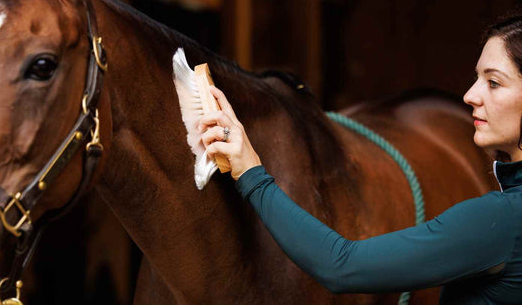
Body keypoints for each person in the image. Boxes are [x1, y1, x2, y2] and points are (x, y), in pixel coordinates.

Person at [198, 17, 522, 304]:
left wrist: (250, 169)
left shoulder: (502, 220)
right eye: (477, 78)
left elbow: (341, 266)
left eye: (493, 82)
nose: (470, 95)